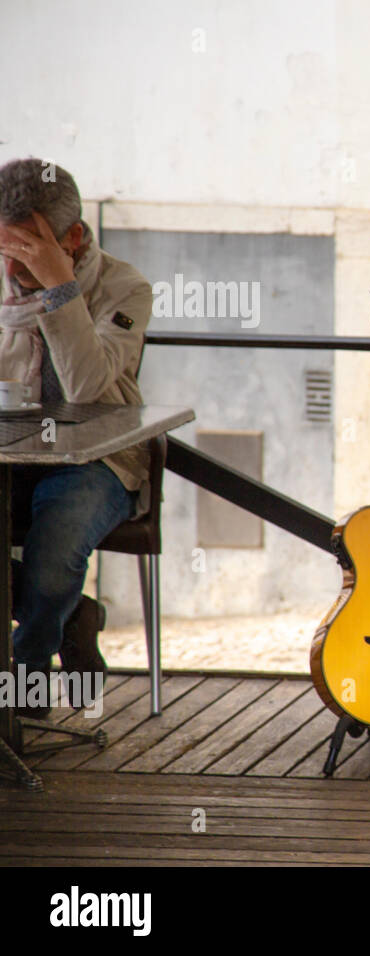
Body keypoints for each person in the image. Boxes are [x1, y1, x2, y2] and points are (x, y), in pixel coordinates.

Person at [0, 159, 153, 716]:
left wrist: (59, 290)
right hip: (10, 458)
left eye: (23, 252)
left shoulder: (125, 288)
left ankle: (28, 675)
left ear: (73, 238)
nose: (11, 267)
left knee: (53, 555)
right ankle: (73, 615)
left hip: (97, 460)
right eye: (4, 250)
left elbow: (87, 386)